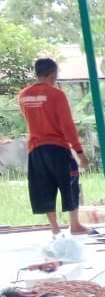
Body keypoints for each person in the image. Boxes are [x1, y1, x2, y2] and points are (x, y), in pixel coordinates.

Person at [18, 58, 88, 235]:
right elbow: (67, 125)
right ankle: (75, 225)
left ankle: (55, 228)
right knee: (70, 183)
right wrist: (79, 152)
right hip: (57, 148)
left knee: (43, 187)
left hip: (35, 149)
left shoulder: (23, 95)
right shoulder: (57, 94)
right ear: (53, 74)